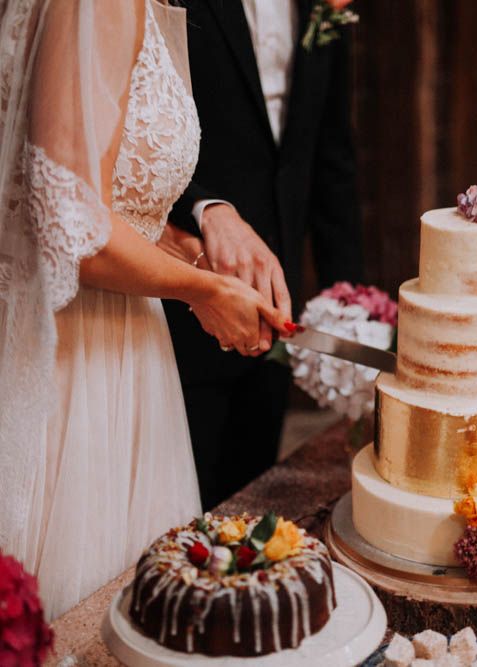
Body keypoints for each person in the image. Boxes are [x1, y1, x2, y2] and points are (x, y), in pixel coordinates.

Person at [0, 0, 291, 620]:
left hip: (124, 349)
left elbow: (95, 193)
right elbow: (67, 223)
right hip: (77, 363)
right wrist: (203, 293)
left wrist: (188, 253)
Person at [162, 0, 365, 510]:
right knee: (179, 508)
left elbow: (329, 153)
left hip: (278, 298)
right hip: (179, 291)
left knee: (251, 499)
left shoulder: (326, 8)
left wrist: (351, 301)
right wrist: (203, 209)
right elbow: (129, 133)